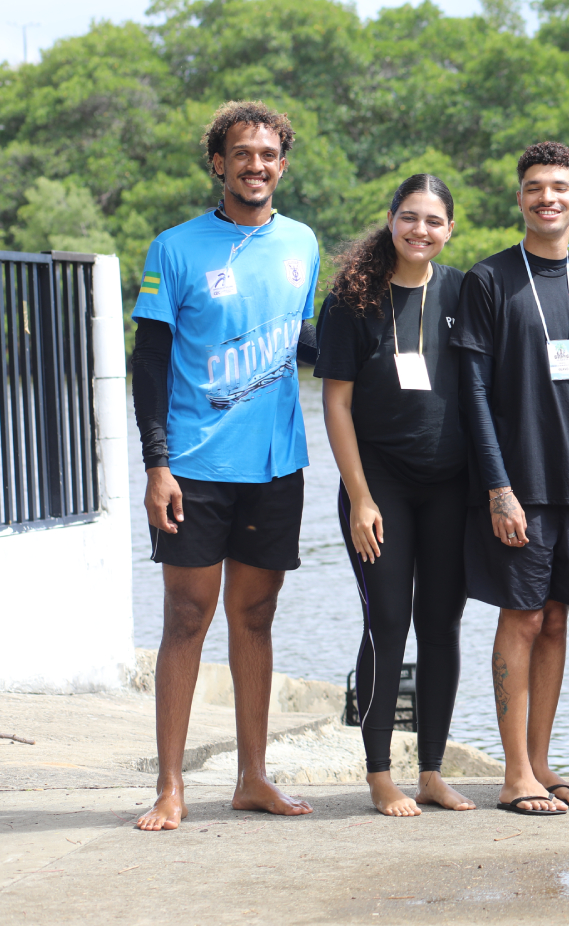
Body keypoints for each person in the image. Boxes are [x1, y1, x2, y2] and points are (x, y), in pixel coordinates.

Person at [131, 100, 320, 830]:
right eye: (241, 153)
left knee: (257, 616)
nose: (256, 165)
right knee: (186, 617)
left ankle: (252, 777)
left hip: (274, 466)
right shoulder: (174, 249)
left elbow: (303, 344)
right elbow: (148, 362)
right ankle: (171, 785)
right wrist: (157, 464)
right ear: (219, 163)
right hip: (194, 466)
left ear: (282, 163)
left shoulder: (301, 242)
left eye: (268, 153)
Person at [315, 173, 476, 816]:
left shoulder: (464, 290)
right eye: (410, 218)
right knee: (388, 625)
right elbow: (336, 402)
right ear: (390, 219)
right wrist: (359, 497)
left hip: (449, 488)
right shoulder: (354, 298)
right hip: (378, 487)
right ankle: (380, 773)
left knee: (442, 626)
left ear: (450, 229)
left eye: (434, 221)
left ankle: (431, 770)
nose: (421, 231)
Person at [451, 142, 569, 816]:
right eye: (535, 187)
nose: (548, 197)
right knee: (522, 617)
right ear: (521, 198)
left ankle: (540, 762)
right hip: (521, 481)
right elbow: (473, 392)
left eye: (560, 187)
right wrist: (497, 486)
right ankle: (514, 772)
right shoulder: (488, 281)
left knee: (559, 621)